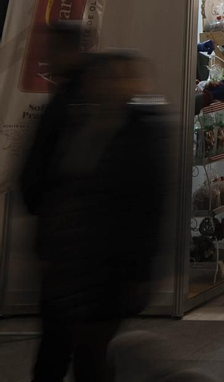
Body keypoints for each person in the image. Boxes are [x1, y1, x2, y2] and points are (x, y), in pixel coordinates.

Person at [22, 47, 167, 382]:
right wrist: (45, 247)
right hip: (67, 260)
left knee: (90, 352)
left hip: (109, 267)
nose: (114, 86)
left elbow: (149, 206)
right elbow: (50, 186)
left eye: (123, 78)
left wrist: (139, 270)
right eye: (108, 78)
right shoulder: (72, 122)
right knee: (56, 348)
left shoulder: (142, 133)